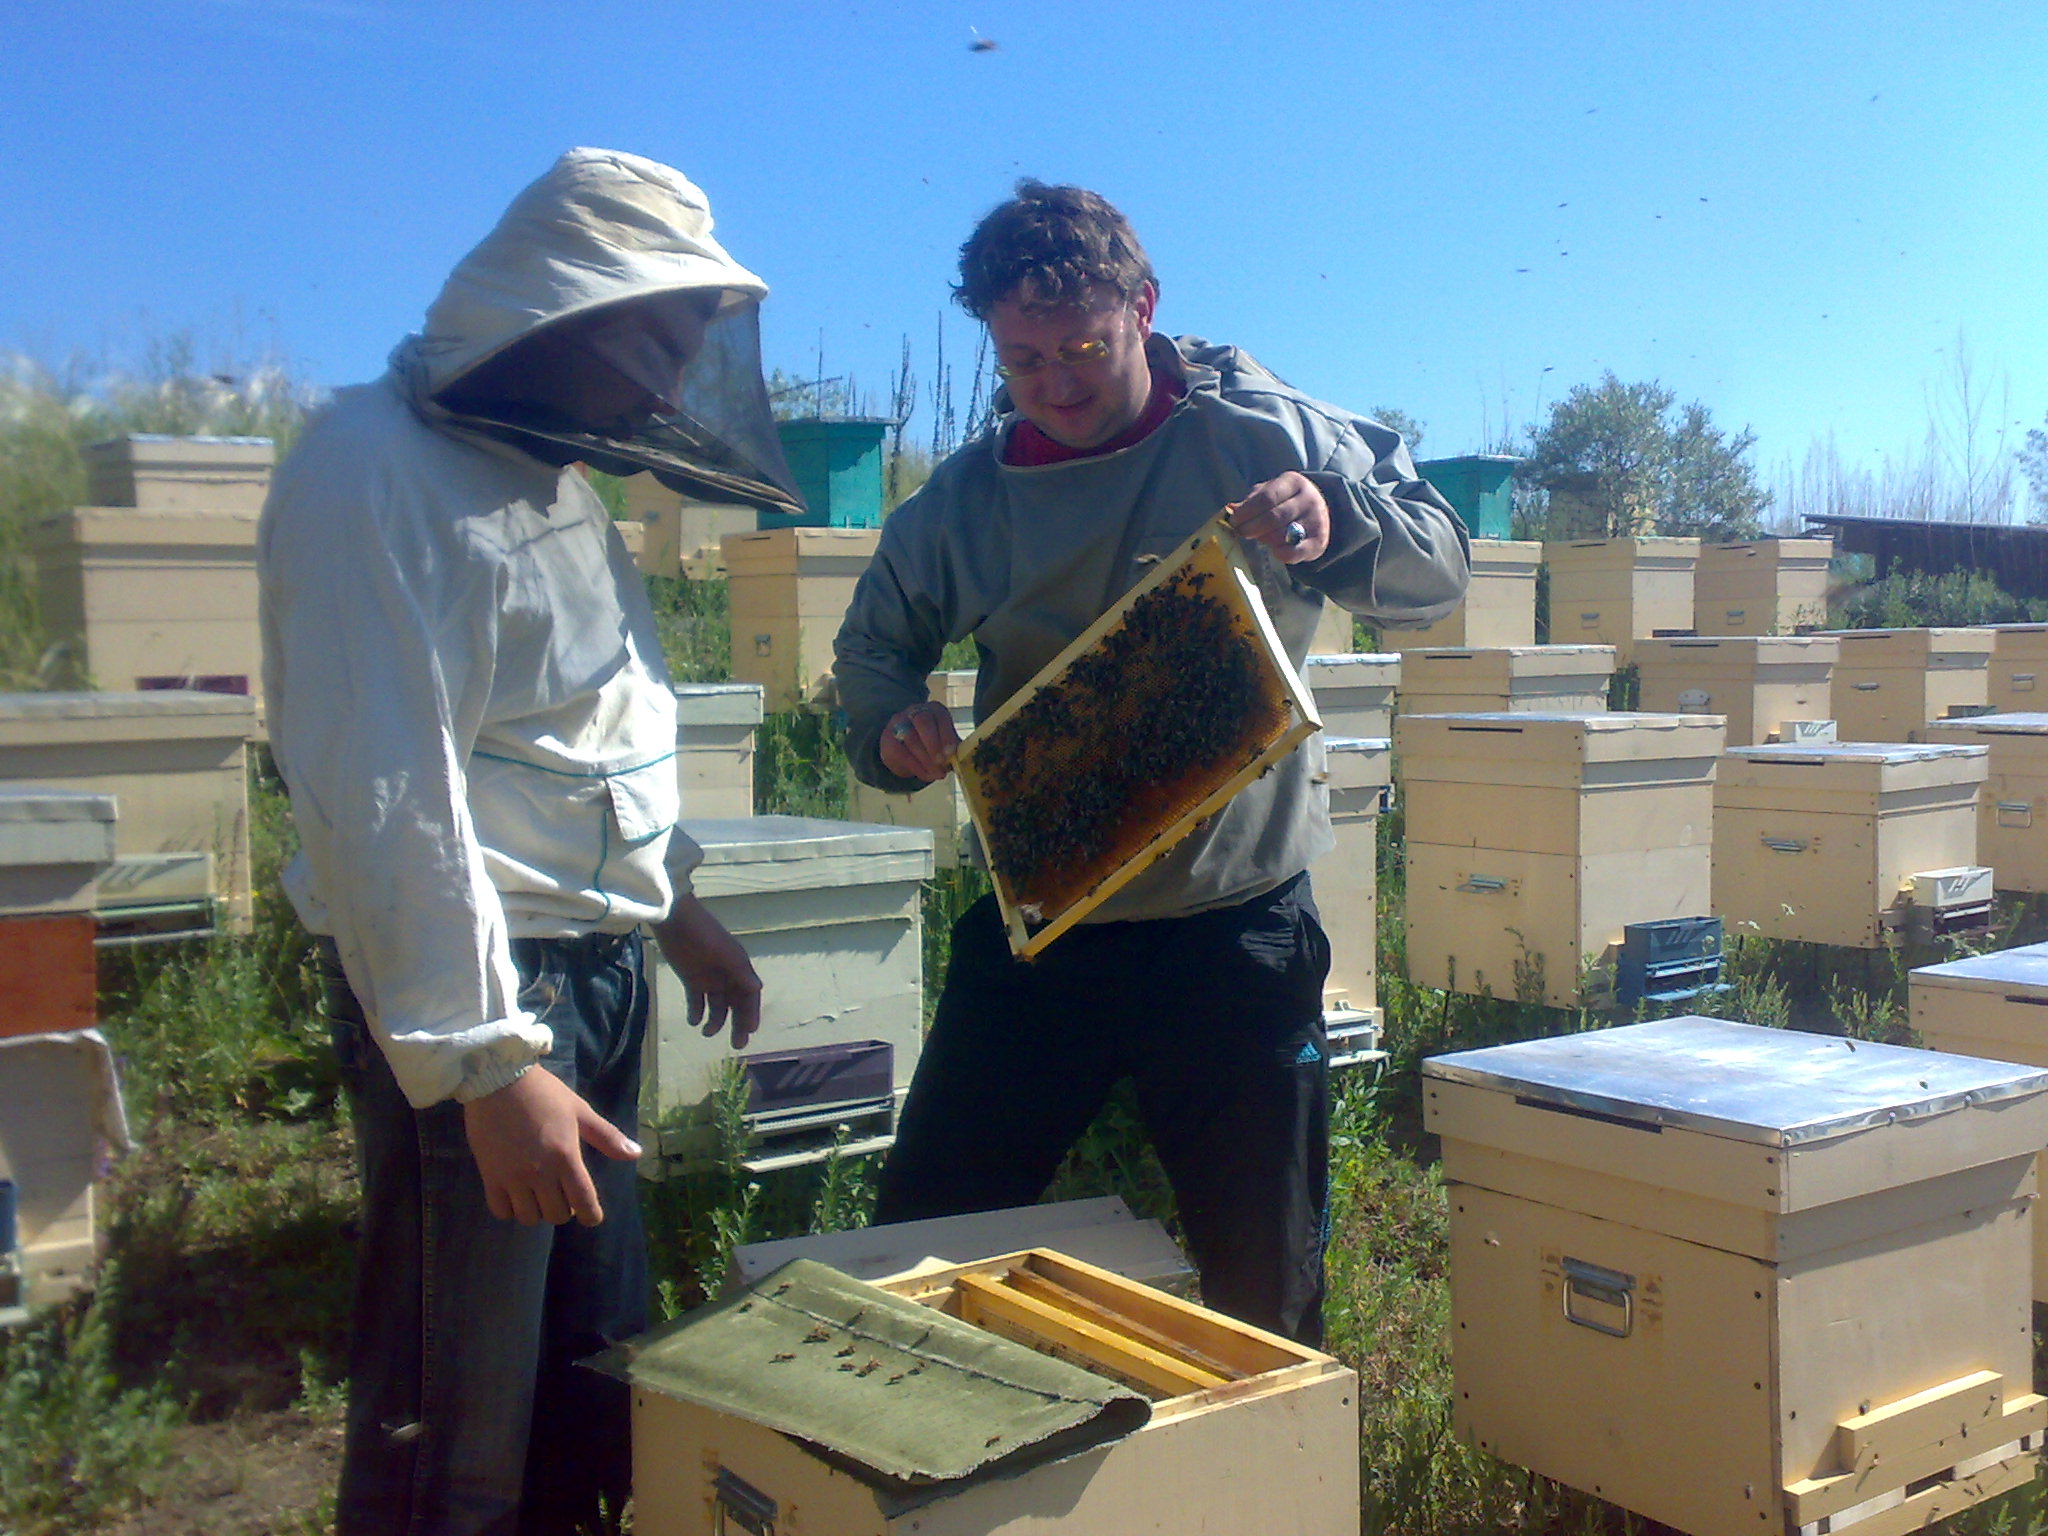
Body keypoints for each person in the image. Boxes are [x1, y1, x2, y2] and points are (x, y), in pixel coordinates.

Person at [835, 180, 1470, 1346]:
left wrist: (1334, 518)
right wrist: (891, 729)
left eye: (1081, 346)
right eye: (1021, 362)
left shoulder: (1260, 426)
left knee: (1263, 1291)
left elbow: (1440, 565)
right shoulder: (966, 503)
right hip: (1046, 931)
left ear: (1144, 305)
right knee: (915, 1248)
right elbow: (871, 657)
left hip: (1232, 932)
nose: (1056, 383)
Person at [260, 148, 791, 1535]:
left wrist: (672, 907)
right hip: (494, 995)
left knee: (578, 1385)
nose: (671, 393)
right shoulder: (372, 475)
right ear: (565, 312)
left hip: (589, 976)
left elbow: (585, 733)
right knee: (460, 1415)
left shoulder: (552, 481)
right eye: (658, 349)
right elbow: (389, 794)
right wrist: (488, 1067)